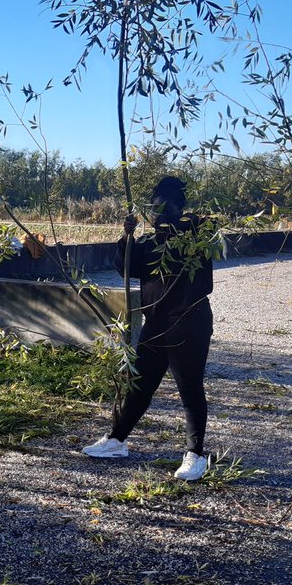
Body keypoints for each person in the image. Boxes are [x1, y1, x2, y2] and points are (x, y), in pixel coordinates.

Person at [83, 176, 215, 481]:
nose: (155, 215)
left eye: (162, 208)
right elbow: (126, 268)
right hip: (155, 323)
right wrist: (127, 237)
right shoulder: (149, 242)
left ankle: (195, 456)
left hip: (189, 323)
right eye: (152, 209)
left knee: (190, 390)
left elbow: (205, 226)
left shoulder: (196, 238)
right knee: (140, 385)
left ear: (178, 209)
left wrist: (180, 221)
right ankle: (117, 440)